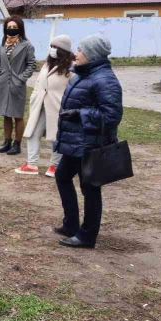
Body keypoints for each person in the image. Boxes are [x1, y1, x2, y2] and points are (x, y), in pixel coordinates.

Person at [53, 34, 123, 248]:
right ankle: (71, 224)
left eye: (81, 50)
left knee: (90, 188)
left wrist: (80, 114)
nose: (76, 54)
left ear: (91, 55)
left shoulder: (105, 80)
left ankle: (87, 236)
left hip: (90, 144)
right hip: (76, 142)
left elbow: (112, 116)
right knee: (62, 176)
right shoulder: (84, 74)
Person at [15, 35, 74, 177]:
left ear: (63, 50)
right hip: (40, 105)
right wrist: (35, 96)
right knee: (33, 133)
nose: (52, 50)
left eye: (56, 47)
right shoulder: (47, 64)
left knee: (56, 136)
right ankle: (31, 164)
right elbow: (39, 83)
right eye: (51, 47)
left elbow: (73, 89)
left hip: (58, 107)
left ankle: (55, 166)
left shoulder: (71, 68)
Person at [0, 15, 36, 155]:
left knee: (17, 115)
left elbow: (31, 64)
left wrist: (21, 78)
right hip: (3, 84)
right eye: (9, 27)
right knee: (6, 114)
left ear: (20, 28)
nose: (11, 29)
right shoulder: (2, 44)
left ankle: (17, 144)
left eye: (14, 27)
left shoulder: (26, 45)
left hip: (17, 84)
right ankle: (6, 141)